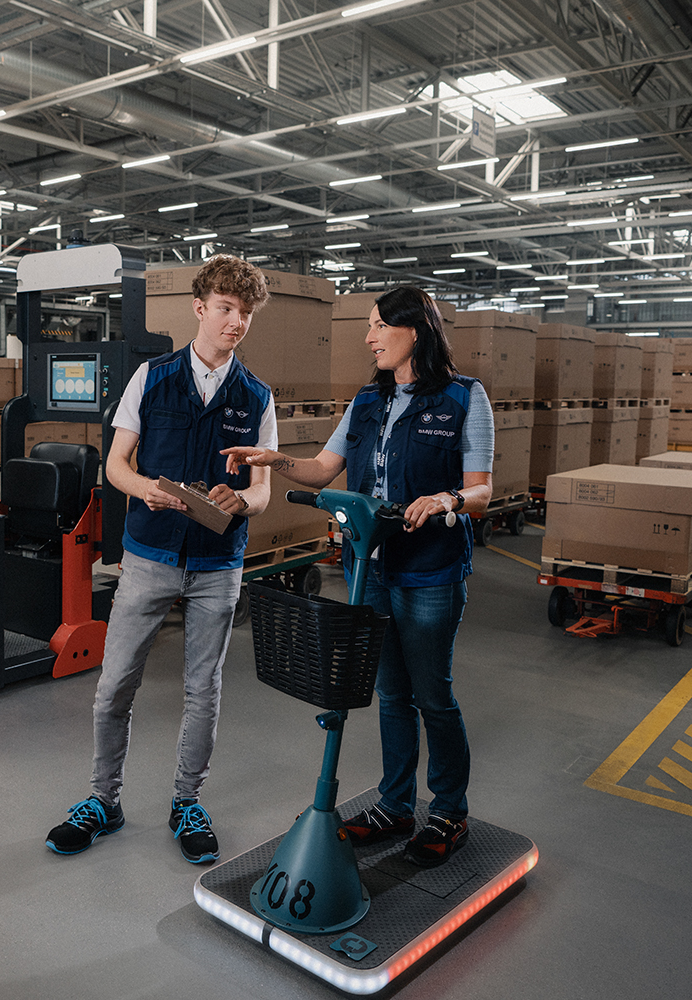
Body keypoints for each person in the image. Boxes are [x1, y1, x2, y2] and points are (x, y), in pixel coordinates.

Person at [222, 285, 493, 868]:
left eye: (376, 326)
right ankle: (396, 803)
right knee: (392, 693)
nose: (368, 337)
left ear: (413, 331)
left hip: (431, 571)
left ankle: (449, 808)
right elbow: (322, 469)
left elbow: (482, 492)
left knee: (433, 693)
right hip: (369, 570)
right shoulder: (365, 402)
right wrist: (274, 459)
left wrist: (446, 498)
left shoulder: (464, 399)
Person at [46, 254, 276, 864]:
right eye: (226, 309)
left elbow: (264, 490)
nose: (236, 323)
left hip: (217, 562)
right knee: (114, 684)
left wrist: (243, 500)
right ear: (200, 309)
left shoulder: (258, 397)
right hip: (148, 554)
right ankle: (103, 800)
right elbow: (116, 463)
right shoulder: (151, 377)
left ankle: (186, 802)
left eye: (245, 314)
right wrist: (139, 486)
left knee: (204, 688)